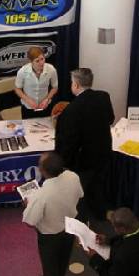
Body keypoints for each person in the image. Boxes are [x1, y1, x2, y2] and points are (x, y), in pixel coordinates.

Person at [22, 152, 83, 276]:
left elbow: (30, 221)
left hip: (50, 236)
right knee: (62, 261)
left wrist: (28, 204)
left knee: (50, 266)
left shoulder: (42, 194)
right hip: (69, 228)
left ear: (43, 171)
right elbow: (80, 195)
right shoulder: (73, 176)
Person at [55, 68, 115, 222]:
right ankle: (100, 214)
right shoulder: (103, 97)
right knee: (98, 185)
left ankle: (80, 224)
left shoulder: (71, 111)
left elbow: (68, 141)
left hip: (84, 159)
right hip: (104, 152)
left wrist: (63, 163)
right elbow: (110, 119)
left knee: (79, 192)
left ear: (76, 85)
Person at [14, 46, 58, 119]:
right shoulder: (22, 71)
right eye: (37, 61)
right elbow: (17, 89)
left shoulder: (51, 69)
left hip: (45, 106)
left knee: (46, 128)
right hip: (28, 108)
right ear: (31, 61)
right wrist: (28, 100)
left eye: (42, 59)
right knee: (28, 129)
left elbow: (55, 87)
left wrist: (47, 99)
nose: (41, 63)